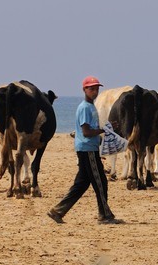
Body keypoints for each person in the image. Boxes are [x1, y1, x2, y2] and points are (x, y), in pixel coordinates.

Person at [47, 76, 121, 224]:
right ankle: (104, 215)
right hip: (87, 149)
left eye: (96, 89)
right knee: (100, 182)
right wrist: (104, 130)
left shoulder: (91, 106)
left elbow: (90, 129)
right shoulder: (85, 108)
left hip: (88, 148)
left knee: (81, 184)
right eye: (91, 88)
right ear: (84, 90)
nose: (95, 91)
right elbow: (86, 132)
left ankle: (57, 211)